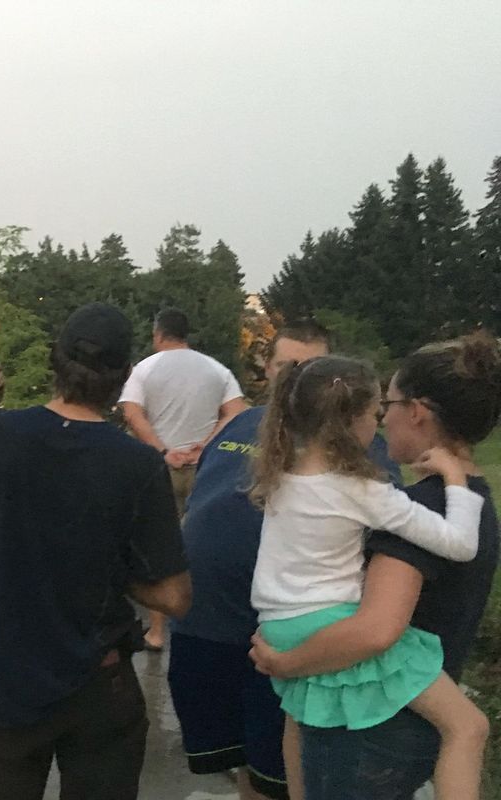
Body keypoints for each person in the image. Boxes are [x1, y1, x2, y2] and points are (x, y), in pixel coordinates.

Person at [250, 332, 501, 800]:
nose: (383, 417)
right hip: (370, 723)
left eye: (389, 403)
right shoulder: (450, 500)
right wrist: (455, 480)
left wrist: (286, 660)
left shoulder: (282, 473)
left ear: (418, 412)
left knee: (296, 715)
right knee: (468, 726)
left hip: (282, 628)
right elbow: (377, 632)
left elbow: (374, 628)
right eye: (376, 408)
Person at [0, 302, 192, 800]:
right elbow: (174, 597)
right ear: (124, 376)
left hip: (6, 685)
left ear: (53, 360)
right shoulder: (139, 466)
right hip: (98, 687)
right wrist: (108, 562)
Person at [166, 321, 405, 800]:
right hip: (205, 627)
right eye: (284, 366)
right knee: (237, 760)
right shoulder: (239, 422)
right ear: (269, 370)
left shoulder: (363, 442)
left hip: (286, 640)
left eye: (306, 368)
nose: (291, 377)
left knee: (281, 772)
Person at [119, 307, 247, 650]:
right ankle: (202, 618)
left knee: (161, 546)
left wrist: (163, 451)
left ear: (158, 334)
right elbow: (237, 412)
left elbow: (132, 413)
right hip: (204, 470)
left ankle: (158, 631)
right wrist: (206, 446)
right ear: (186, 334)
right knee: (199, 545)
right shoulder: (216, 369)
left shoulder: (145, 368)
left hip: (159, 470)